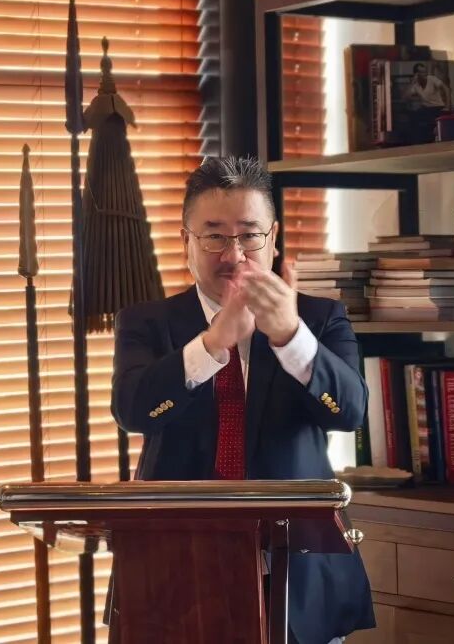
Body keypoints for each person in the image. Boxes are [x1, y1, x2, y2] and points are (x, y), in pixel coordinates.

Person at [110, 156, 375, 644]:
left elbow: (351, 412)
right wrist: (213, 344)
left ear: (273, 238)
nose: (234, 255)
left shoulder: (320, 318)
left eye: (249, 235)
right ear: (186, 241)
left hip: (298, 573)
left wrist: (290, 337)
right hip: (174, 575)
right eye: (214, 236)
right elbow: (132, 411)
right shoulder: (146, 322)